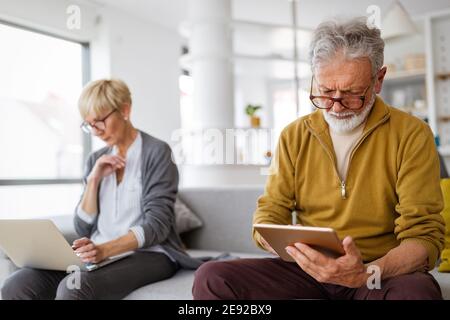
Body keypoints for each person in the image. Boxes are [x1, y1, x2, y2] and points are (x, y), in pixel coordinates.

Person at [192, 17, 446, 300]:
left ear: (378, 80)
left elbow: (424, 236)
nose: (335, 106)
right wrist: (285, 242)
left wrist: (366, 273)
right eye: (325, 92)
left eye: (351, 94)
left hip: (376, 273)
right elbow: (269, 212)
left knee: (416, 293)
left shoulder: (412, 134)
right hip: (307, 270)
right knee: (211, 277)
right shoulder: (293, 135)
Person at [2, 79, 201, 300]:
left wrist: (105, 250)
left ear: (125, 110)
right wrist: (94, 180)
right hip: (100, 251)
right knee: (17, 284)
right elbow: (82, 227)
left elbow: (158, 226)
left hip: (150, 253)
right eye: (89, 124)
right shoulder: (96, 159)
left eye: (100, 121)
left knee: (75, 287)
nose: (96, 131)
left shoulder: (157, 152)